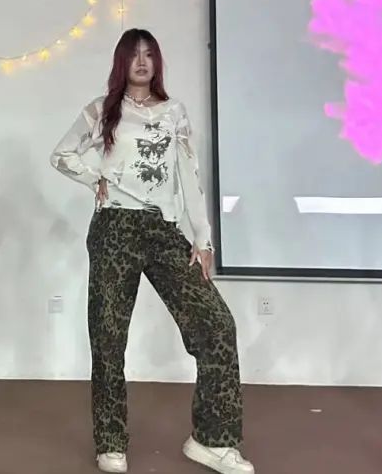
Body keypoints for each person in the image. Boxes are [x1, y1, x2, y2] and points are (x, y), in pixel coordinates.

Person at [50, 28, 253, 474]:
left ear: (157, 62)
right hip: (114, 229)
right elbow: (62, 155)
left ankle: (212, 440)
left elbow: (189, 177)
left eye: (149, 54)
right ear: (121, 62)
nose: (142, 62)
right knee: (108, 339)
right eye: (134, 55)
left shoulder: (173, 112)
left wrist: (202, 239)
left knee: (216, 325)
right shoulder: (103, 110)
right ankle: (111, 443)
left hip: (162, 229)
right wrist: (95, 179)